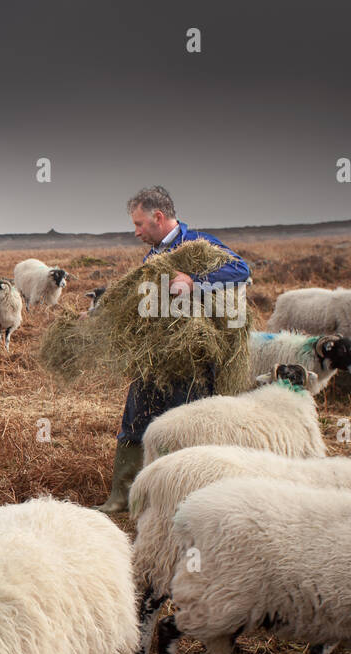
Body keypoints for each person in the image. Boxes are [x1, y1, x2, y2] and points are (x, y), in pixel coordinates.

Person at [95, 186, 251, 513]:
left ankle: (178, 498)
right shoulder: (152, 257)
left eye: (139, 224)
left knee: (182, 425)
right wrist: (97, 314)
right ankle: (123, 496)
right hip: (153, 356)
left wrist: (194, 281)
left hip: (190, 358)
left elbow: (240, 270)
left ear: (158, 217)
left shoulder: (197, 245)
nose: (135, 231)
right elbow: (134, 295)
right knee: (136, 419)